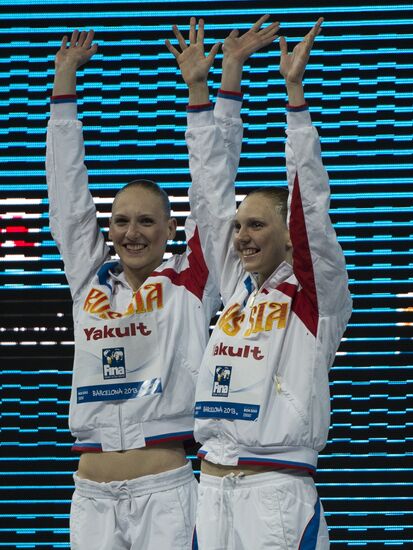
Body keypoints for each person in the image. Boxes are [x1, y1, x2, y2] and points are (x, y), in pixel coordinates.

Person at [171, 17, 352, 549]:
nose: (242, 237)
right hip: (214, 490)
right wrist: (202, 92)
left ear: (286, 234)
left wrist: (294, 97)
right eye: (239, 226)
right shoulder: (236, 291)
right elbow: (208, 191)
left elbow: (311, 209)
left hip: (276, 493)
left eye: (256, 225)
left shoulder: (313, 298)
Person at [46, 29, 225, 550]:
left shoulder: (188, 284)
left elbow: (213, 196)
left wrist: (199, 93)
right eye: (121, 221)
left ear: (171, 230)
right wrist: (63, 80)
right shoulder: (90, 281)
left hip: (164, 492)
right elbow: (68, 197)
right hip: (90, 497)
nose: (132, 232)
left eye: (147, 221)